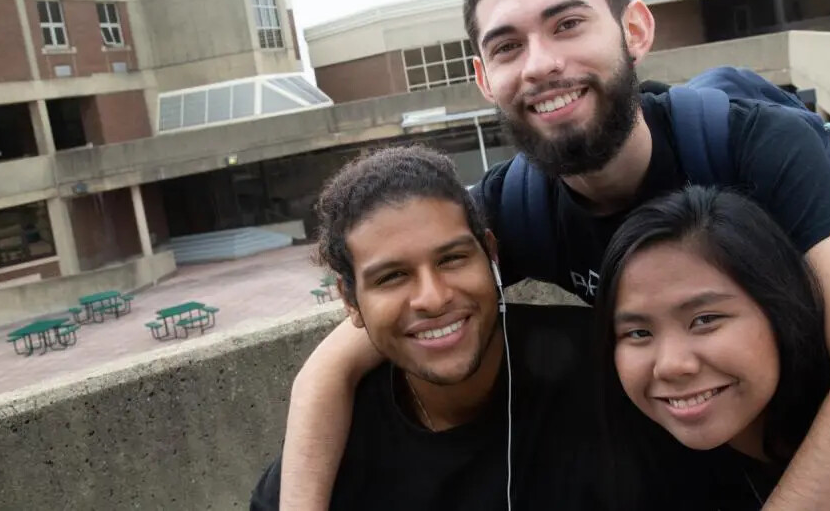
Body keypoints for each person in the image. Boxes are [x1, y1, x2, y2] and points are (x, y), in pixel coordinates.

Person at [279, 0, 830, 510]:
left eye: (567, 24)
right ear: (484, 78)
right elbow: (337, 361)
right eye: (507, 47)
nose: (540, 63)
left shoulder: (756, 145)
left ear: (635, 30)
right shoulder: (515, 211)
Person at [251, 146, 602, 510]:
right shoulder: (335, 443)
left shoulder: (603, 377)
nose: (433, 298)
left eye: (451, 259)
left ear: (491, 255)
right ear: (350, 302)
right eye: (392, 277)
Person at [592, 186, 830, 510]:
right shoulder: (646, 472)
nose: (670, 365)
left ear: (781, 313)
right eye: (638, 333)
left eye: (705, 319)